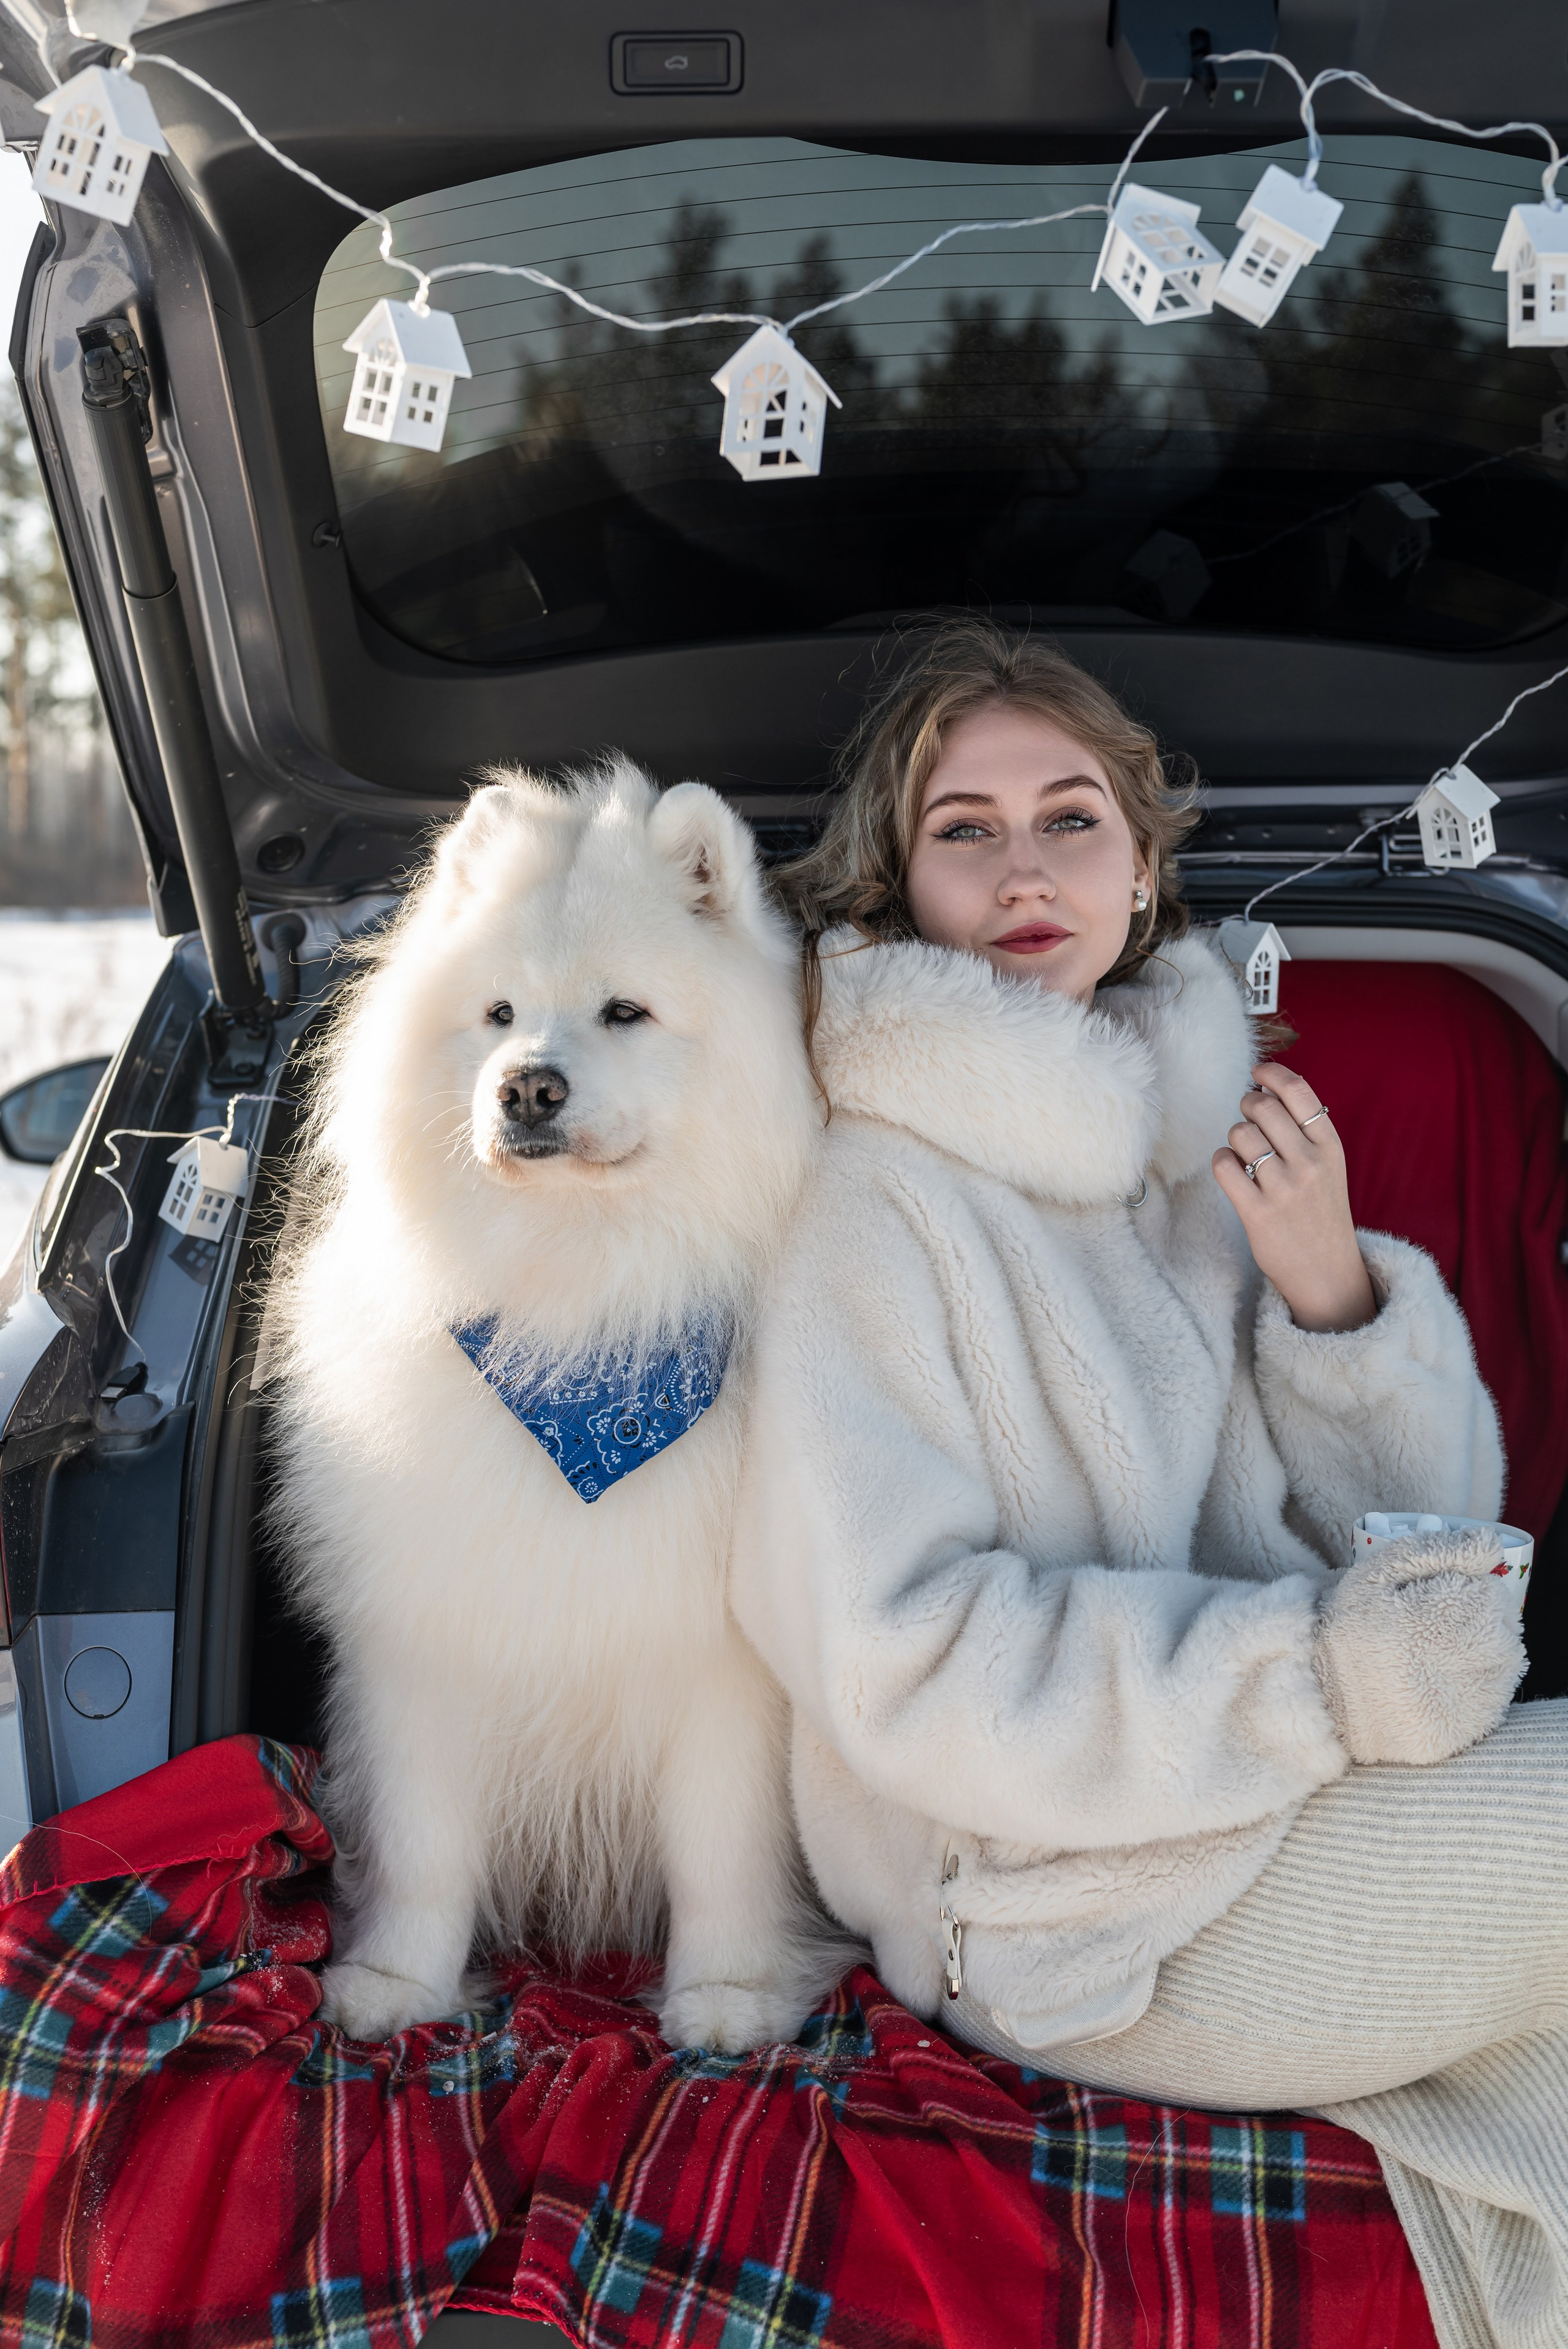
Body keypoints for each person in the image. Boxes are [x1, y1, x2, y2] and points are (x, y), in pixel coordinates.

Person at [730, 619, 1568, 2349]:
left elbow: (1410, 1566)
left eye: (1072, 818)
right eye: (965, 830)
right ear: (897, 886)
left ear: (1139, 864)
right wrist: (1317, 1679)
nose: (1025, 870)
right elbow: (906, 1662)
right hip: (1063, 1918)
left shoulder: (1190, 1162)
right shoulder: (863, 1199)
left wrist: (1334, 1301)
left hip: (1275, 1809)